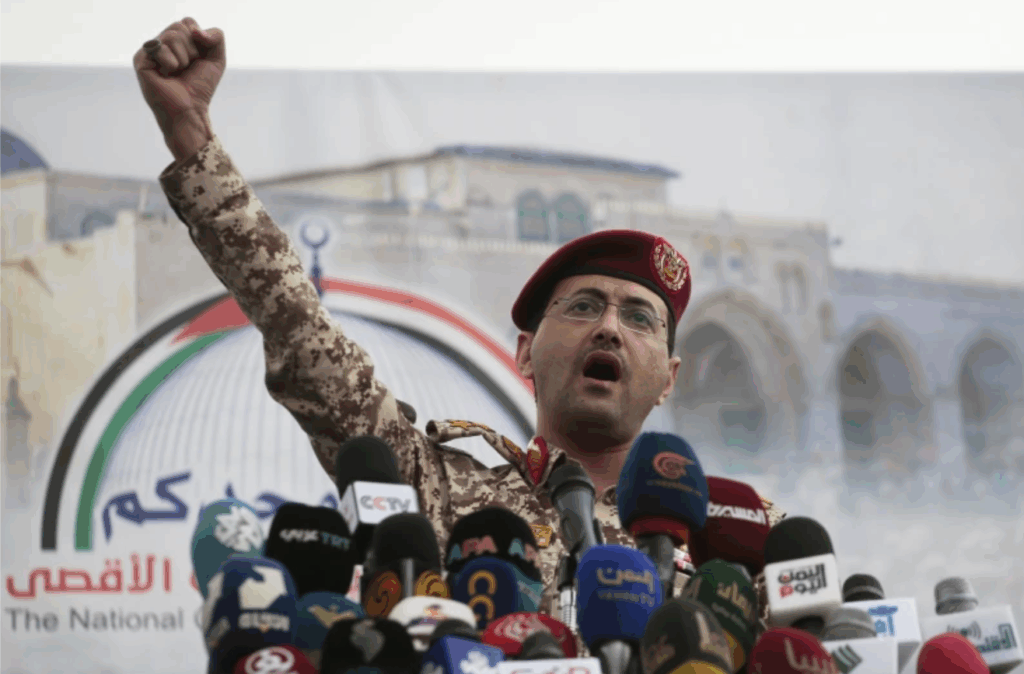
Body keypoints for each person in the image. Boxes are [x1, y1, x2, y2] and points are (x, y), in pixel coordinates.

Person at [133, 18, 784, 616]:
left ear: (669, 378)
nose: (610, 327)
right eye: (584, 306)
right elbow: (303, 337)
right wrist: (193, 139)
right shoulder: (436, 492)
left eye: (640, 317)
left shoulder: (739, 535)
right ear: (525, 353)